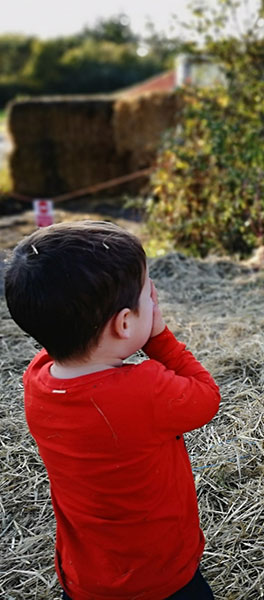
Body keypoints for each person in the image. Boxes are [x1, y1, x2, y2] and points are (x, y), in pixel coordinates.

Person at [4, 221, 221, 600]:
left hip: (85, 577)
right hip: (161, 578)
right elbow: (206, 396)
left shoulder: (37, 380)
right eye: (148, 297)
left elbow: (69, 338)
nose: (153, 303)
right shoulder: (146, 389)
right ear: (124, 323)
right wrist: (159, 338)